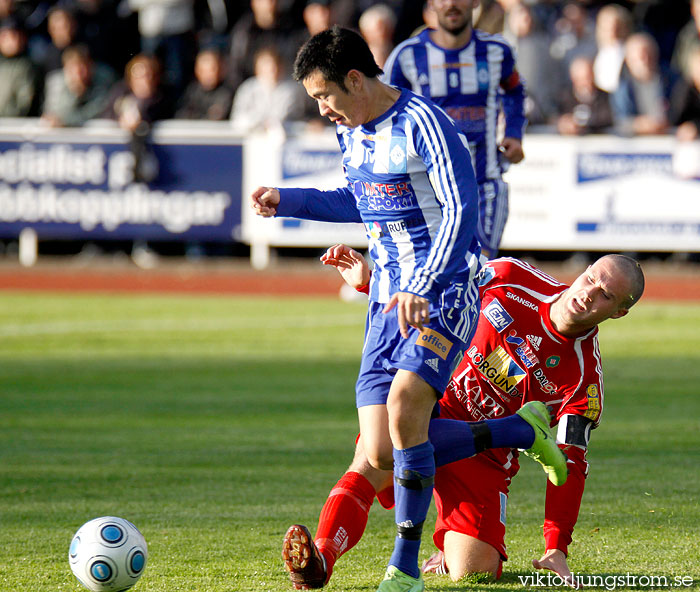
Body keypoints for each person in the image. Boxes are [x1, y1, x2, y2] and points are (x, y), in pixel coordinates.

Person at [251, 26, 566, 592]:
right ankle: (516, 431)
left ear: (354, 80)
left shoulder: (424, 125)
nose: (323, 111)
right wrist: (290, 199)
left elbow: (461, 212)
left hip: (441, 296)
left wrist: (421, 283)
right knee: (379, 449)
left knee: (404, 411)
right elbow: (361, 198)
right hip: (383, 304)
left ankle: (403, 567)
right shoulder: (352, 133)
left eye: (325, 96)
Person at [282, 245, 644, 588]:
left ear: (618, 313)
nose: (588, 293)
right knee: (376, 455)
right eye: (592, 278)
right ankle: (320, 562)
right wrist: (370, 281)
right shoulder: (509, 276)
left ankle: (454, 536)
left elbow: (569, 463)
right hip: (435, 407)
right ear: (583, 270)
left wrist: (556, 545)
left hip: (484, 460)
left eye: (606, 296)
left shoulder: (584, 380)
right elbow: (440, 292)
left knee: (474, 570)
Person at [383, 0, 527, 260]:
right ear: (430, 4)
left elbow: (515, 89)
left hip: (485, 182)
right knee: (435, 267)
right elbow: (387, 115)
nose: (451, 4)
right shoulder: (406, 56)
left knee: (479, 265)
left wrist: (514, 133)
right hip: (430, 188)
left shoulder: (497, 51)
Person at [230, 45, 306, 134]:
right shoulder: (247, 89)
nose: (271, 70)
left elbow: (290, 117)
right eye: (266, 65)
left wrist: (271, 124)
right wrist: (259, 123)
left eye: (274, 65)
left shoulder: (291, 90)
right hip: (252, 139)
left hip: (286, 138)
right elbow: (237, 119)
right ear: (257, 67)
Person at [41, 44, 116, 127]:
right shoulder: (55, 81)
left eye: (84, 67)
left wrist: (66, 121)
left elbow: (98, 111)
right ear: (66, 68)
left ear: (92, 66)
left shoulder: (104, 80)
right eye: (74, 68)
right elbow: (53, 112)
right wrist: (74, 94)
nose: (80, 73)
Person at [612, 32, 671, 136]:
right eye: (640, 56)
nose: (645, 60)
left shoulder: (671, 81)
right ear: (629, 60)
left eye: (649, 54)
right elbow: (619, 120)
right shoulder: (622, 87)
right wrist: (638, 124)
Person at [555, 55, 614, 135]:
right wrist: (565, 124)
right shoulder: (564, 97)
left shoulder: (605, 97)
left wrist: (587, 126)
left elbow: (608, 119)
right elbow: (554, 117)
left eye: (589, 77)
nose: (587, 82)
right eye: (582, 78)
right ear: (574, 79)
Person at [176, 47, 233, 120]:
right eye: (205, 70)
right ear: (198, 71)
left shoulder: (225, 93)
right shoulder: (192, 92)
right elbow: (182, 113)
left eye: (213, 69)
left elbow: (217, 116)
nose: (210, 74)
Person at [0, 16, 41, 117]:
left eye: (17, 35)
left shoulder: (27, 67)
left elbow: (24, 104)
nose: (14, 40)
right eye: (6, 36)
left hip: (15, 126)